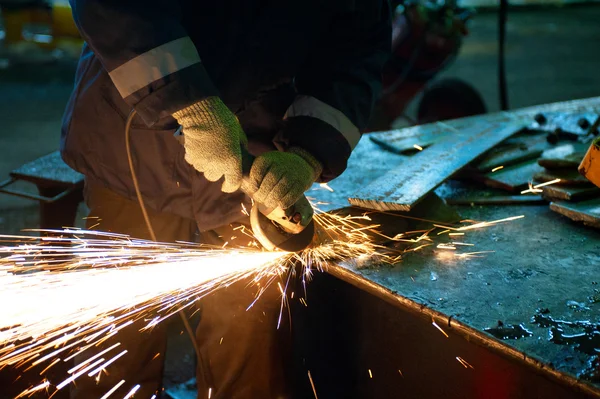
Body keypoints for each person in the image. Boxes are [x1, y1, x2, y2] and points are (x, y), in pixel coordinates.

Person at [61, 1, 391, 398]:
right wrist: (189, 104)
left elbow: (355, 51)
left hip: (255, 150)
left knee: (247, 336)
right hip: (134, 139)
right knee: (117, 345)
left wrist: (307, 152)